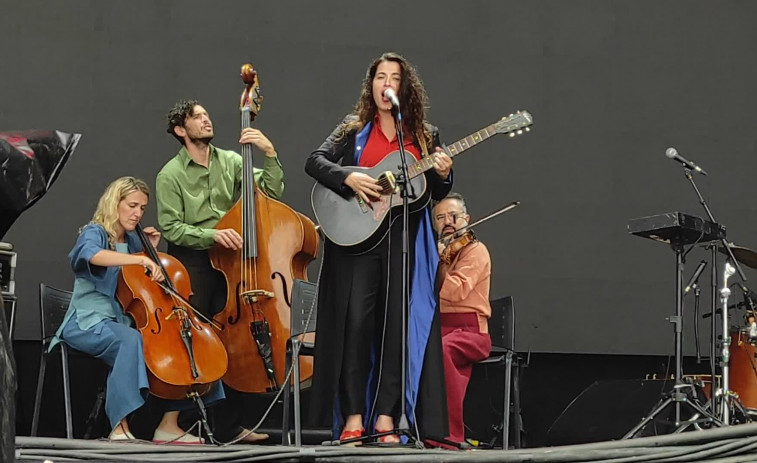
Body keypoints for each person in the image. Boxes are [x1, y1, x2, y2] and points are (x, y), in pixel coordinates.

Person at [305, 52, 453, 444]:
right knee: (355, 328)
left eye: (394, 77)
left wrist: (444, 173)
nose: (386, 83)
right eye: (379, 76)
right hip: (355, 245)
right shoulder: (351, 130)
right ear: (371, 86)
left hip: (401, 240)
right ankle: (353, 416)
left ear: (405, 88)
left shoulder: (425, 135)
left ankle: (386, 417)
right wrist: (349, 178)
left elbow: (435, 192)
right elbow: (314, 162)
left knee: (394, 331)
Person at [51, 176, 219, 443]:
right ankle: (119, 426)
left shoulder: (131, 241)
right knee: (130, 341)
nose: (137, 213)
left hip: (122, 320)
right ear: (114, 203)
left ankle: (168, 425)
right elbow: (91, 255)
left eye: (142, 208)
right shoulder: (95, 232)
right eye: (131, 205)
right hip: (88, 322)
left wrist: (148, 253)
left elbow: (138, 288)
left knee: (182, 341)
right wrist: (139, 259)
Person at [156, 99, 283, 443]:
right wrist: (212, 234)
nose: (206, 120)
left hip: (230, 262)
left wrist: (268, 153)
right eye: (197, 117)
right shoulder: (170, 174)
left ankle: (230, 425)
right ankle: (173, 423)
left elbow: (271, 190)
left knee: (231, 340)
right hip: (192, 259)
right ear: (181, 130)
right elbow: (171, 227)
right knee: (194, 339)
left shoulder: (231, 161)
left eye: (207, 115)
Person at [432, 192, 492, 444]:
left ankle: (449, 436)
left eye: (453, 216)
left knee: (443, 351)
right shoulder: (435, 251)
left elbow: (455, 292)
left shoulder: (475, 250)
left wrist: (439, 263)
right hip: (438, 327)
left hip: (471, 332)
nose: (448, 222)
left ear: (466, 219)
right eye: (440, 217)